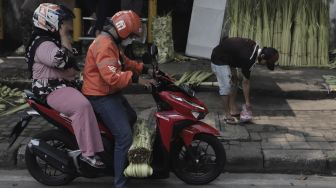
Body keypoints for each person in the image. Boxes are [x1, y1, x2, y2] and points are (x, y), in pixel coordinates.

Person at [26, 3, 105, 168]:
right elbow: (61, 61)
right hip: (52, 90)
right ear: (52, 22)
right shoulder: (42, 44)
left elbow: (72, 57)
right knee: (81, 106)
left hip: (67, 86)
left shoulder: (52, 40)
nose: (70, 24)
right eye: (65, 21)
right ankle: (88, 154)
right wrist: (63, 36)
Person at [81, 10, 155, 188]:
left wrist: (143, 68)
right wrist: (137, 79)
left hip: (109, 92)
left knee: (132, 118)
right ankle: (120, 183)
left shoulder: (112, 43)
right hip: (100, 96)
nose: (131, 39)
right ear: (123, 32)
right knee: (124, 137)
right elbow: (112, 77)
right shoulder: (104, 46)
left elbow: (124, 63)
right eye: (131, 35)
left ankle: (115, 153)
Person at [211, 37, 279, 124]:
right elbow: (246, 82)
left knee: (234, 81)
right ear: (262, 56)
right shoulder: (249, 58)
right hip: (219, 58)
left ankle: (232, 108)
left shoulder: (255, 48)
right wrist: (247, 103)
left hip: (229, 57)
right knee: (226, 86)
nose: (265, 65)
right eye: (266, 62)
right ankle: (227, 115)